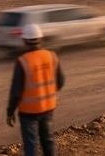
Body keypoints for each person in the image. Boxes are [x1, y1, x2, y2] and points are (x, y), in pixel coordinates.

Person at [7, 24, 65, 156]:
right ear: (41, 39)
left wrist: (10, 112)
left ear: (24, 41)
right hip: (48, 107)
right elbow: (60, 82)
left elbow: (16, 92)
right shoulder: (52, 56)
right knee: (48, 140)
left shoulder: (22, 61)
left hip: (29, 112)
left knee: (31, 144)